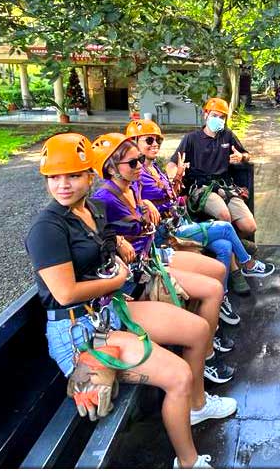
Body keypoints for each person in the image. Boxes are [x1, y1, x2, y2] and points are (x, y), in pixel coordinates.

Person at [25, 133, 236, 468]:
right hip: (80, 331)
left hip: (108, 310)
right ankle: (188, 462)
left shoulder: (92, 208)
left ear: (89, 175)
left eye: (73, 175)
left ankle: (197, 406)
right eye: (54, 177)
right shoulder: (47, 229)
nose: (62, 185)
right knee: (178, 375)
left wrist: (120, 242)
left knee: (197, 330)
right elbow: (64, 294)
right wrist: (118, 279)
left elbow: (106, 244)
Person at [90, 132, 234, 384]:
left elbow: (157, 200)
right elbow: (96, 233)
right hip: (137, 274)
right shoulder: (103, 199)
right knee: (213, 276)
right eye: (133, 162)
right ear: (111, 168)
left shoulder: (133, 185)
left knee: (218, 270)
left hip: (153, 256)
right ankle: (206, 353)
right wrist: (116, 239)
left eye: (140, 160)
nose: (140, 166)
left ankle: (209, 338)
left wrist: (146, 201)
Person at [125, 119, 275, 321]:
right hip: (168, 232)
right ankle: (247, 263)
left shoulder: (154, 169)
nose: (155, 144)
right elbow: (129, 198)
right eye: (149, 140)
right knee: (224, 226)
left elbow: (169, 191)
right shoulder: (136, 173)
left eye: (158, 140)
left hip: (180, 219)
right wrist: (143, 203)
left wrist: (178, 178)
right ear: (133, 143)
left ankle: (220, 299)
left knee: (224, 246)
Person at [168, 97, 261, 243]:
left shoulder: (227, 135)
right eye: (214, 116)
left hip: (225, 187)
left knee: (249, 227)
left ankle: (214, 244)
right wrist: (174, 176)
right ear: (206, 115)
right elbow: (172, 164)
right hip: (201, 188)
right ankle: (236, 258)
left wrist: (242, 157)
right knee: (225, 216)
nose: (218, 119)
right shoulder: (191, 139)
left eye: (222, 117)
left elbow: (247, 154)